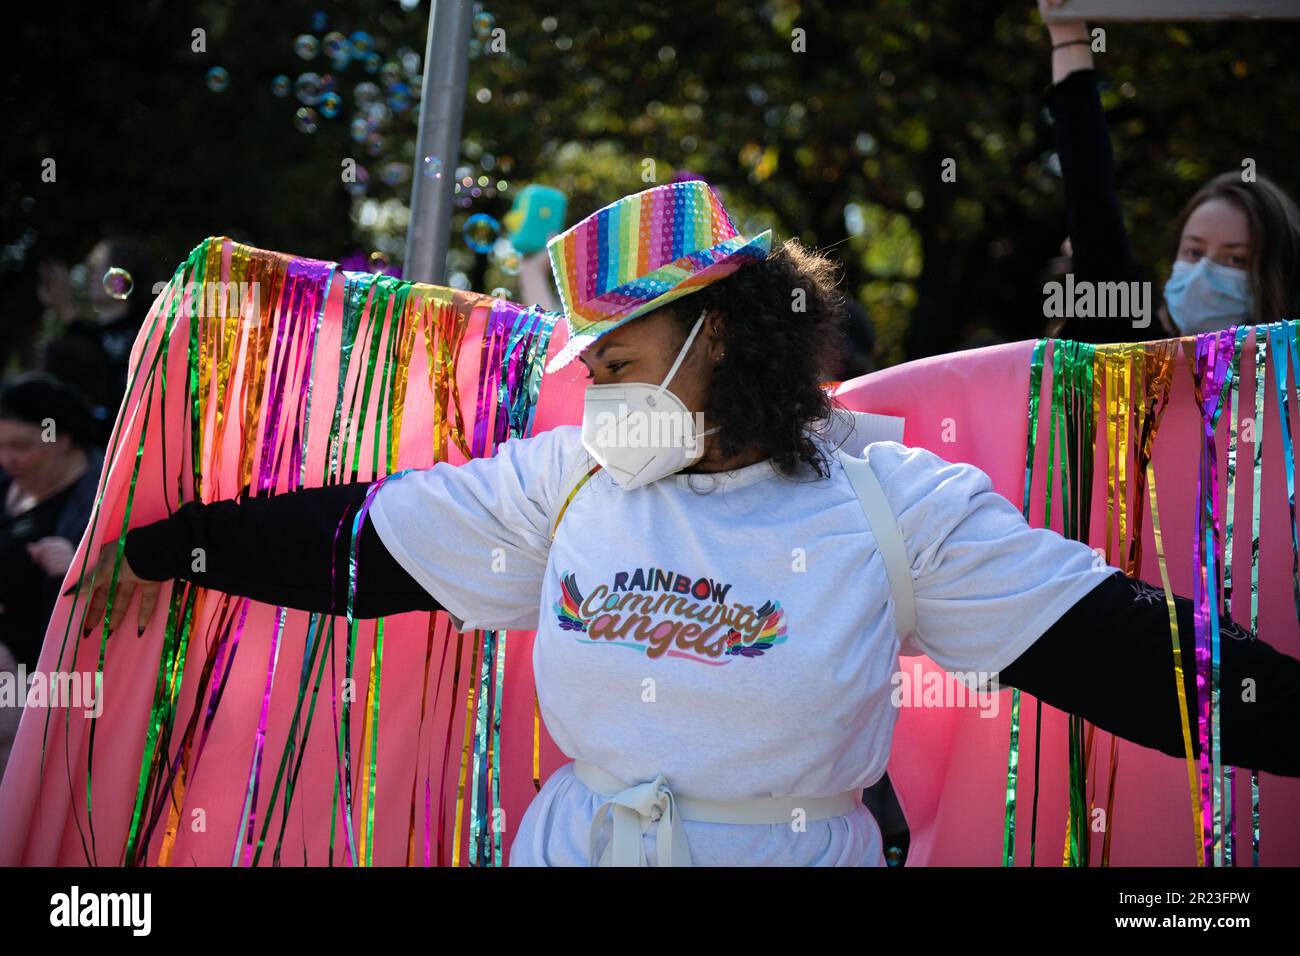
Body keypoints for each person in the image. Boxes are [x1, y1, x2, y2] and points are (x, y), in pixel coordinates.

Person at [78, 181, 1300, 867]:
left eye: (623, 357)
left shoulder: (894, 505)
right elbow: (356, 544)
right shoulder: (562, 480)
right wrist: (164, 546)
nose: (596, 387)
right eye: (591, 360)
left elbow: (1143, 658)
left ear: (725, 339)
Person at [1038, 0, 1300, 342]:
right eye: (1193, 252)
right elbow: (1091, 197)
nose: (1204, 273)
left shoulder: (1289, 385)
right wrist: (1067, 30)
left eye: (1235, 259)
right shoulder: (1132, 351)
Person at [0, 372, 105, 672]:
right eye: (1, 446)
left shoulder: (99, 505)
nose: (7, 459)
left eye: (20, 447)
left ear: (61, 437)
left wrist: (72, 569)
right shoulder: (8, 484)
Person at [37, 235, 161, 445]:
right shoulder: (74, 337)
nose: (94, 274)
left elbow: (105, 373)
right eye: (93, 267)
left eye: (106, 267)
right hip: (85, 448)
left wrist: (68, 312)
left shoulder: (148, 331)